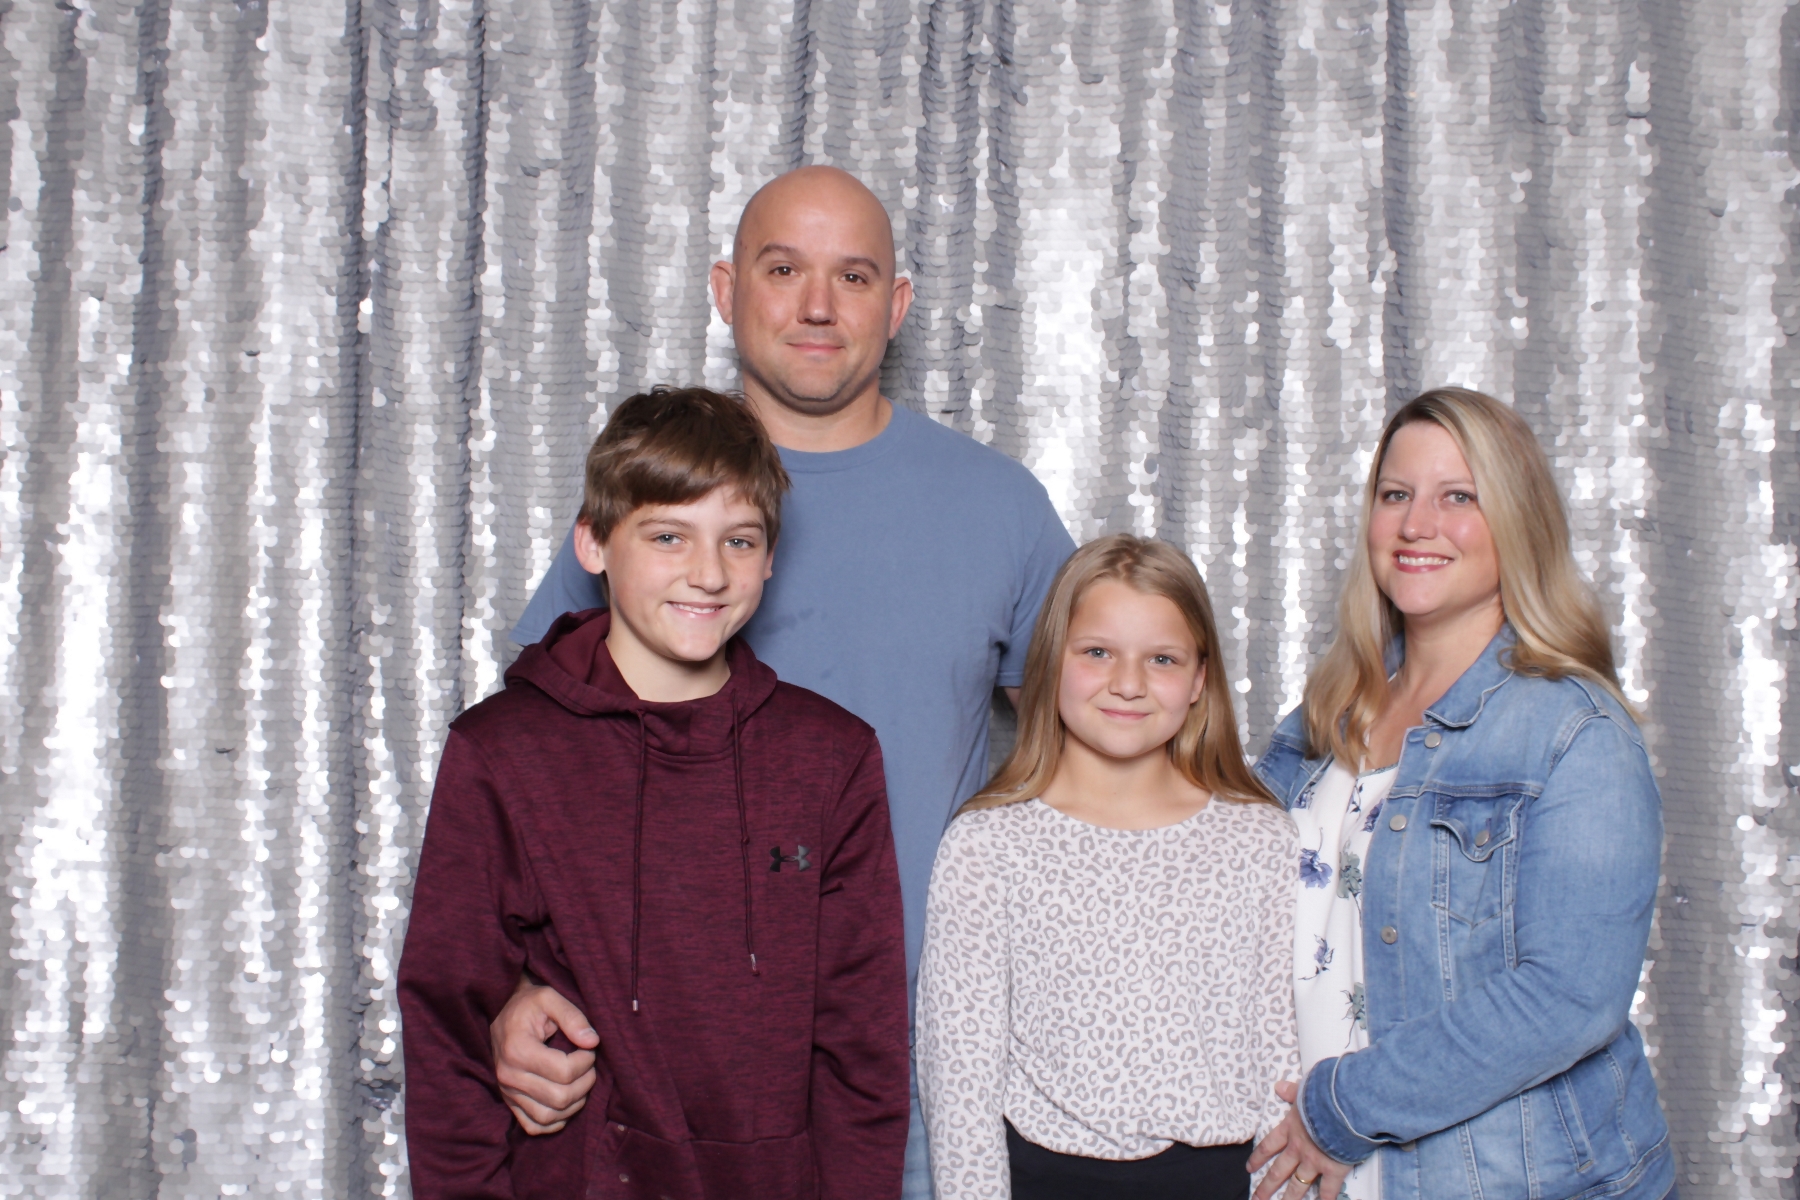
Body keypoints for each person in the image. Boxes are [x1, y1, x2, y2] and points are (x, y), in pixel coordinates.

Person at [491, 167, 1076, 1197]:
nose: (817, 305)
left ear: (897, 305)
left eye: (852, 276)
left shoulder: (1001, 507)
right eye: (782, 269)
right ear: (725, 291)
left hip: (923, 1069)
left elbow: (1109, 764)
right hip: (651, 1080)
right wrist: (513, 987)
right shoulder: (659, 502)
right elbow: (524, 784)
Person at [398, 387, 910, 1199]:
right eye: (669, 536)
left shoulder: (832, 757)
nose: (708, 574)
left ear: (770, 557)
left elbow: (862, 1048)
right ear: (594, 542)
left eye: (739, 540)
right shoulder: (500, 751)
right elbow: (447, 1029)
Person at [1247, 388, 1675, 1200]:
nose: (1417, 525)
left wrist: (1340, 1109)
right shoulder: (1323, 715)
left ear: (1517, 520)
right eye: (1395, 495)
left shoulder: (1575, 731)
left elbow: (1570, 997)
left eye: (1458, 498)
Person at [916, 534, 1299, 1200]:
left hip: (1221, 1178)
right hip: (1044, 1179)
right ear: (1050, 663)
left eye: (1162, 659)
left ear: (1199, 679)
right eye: (1097, 652)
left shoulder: (1259, 838)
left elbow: (1278, 1052)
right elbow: (959, 1079)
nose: (1128, 683)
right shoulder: (987, 845)